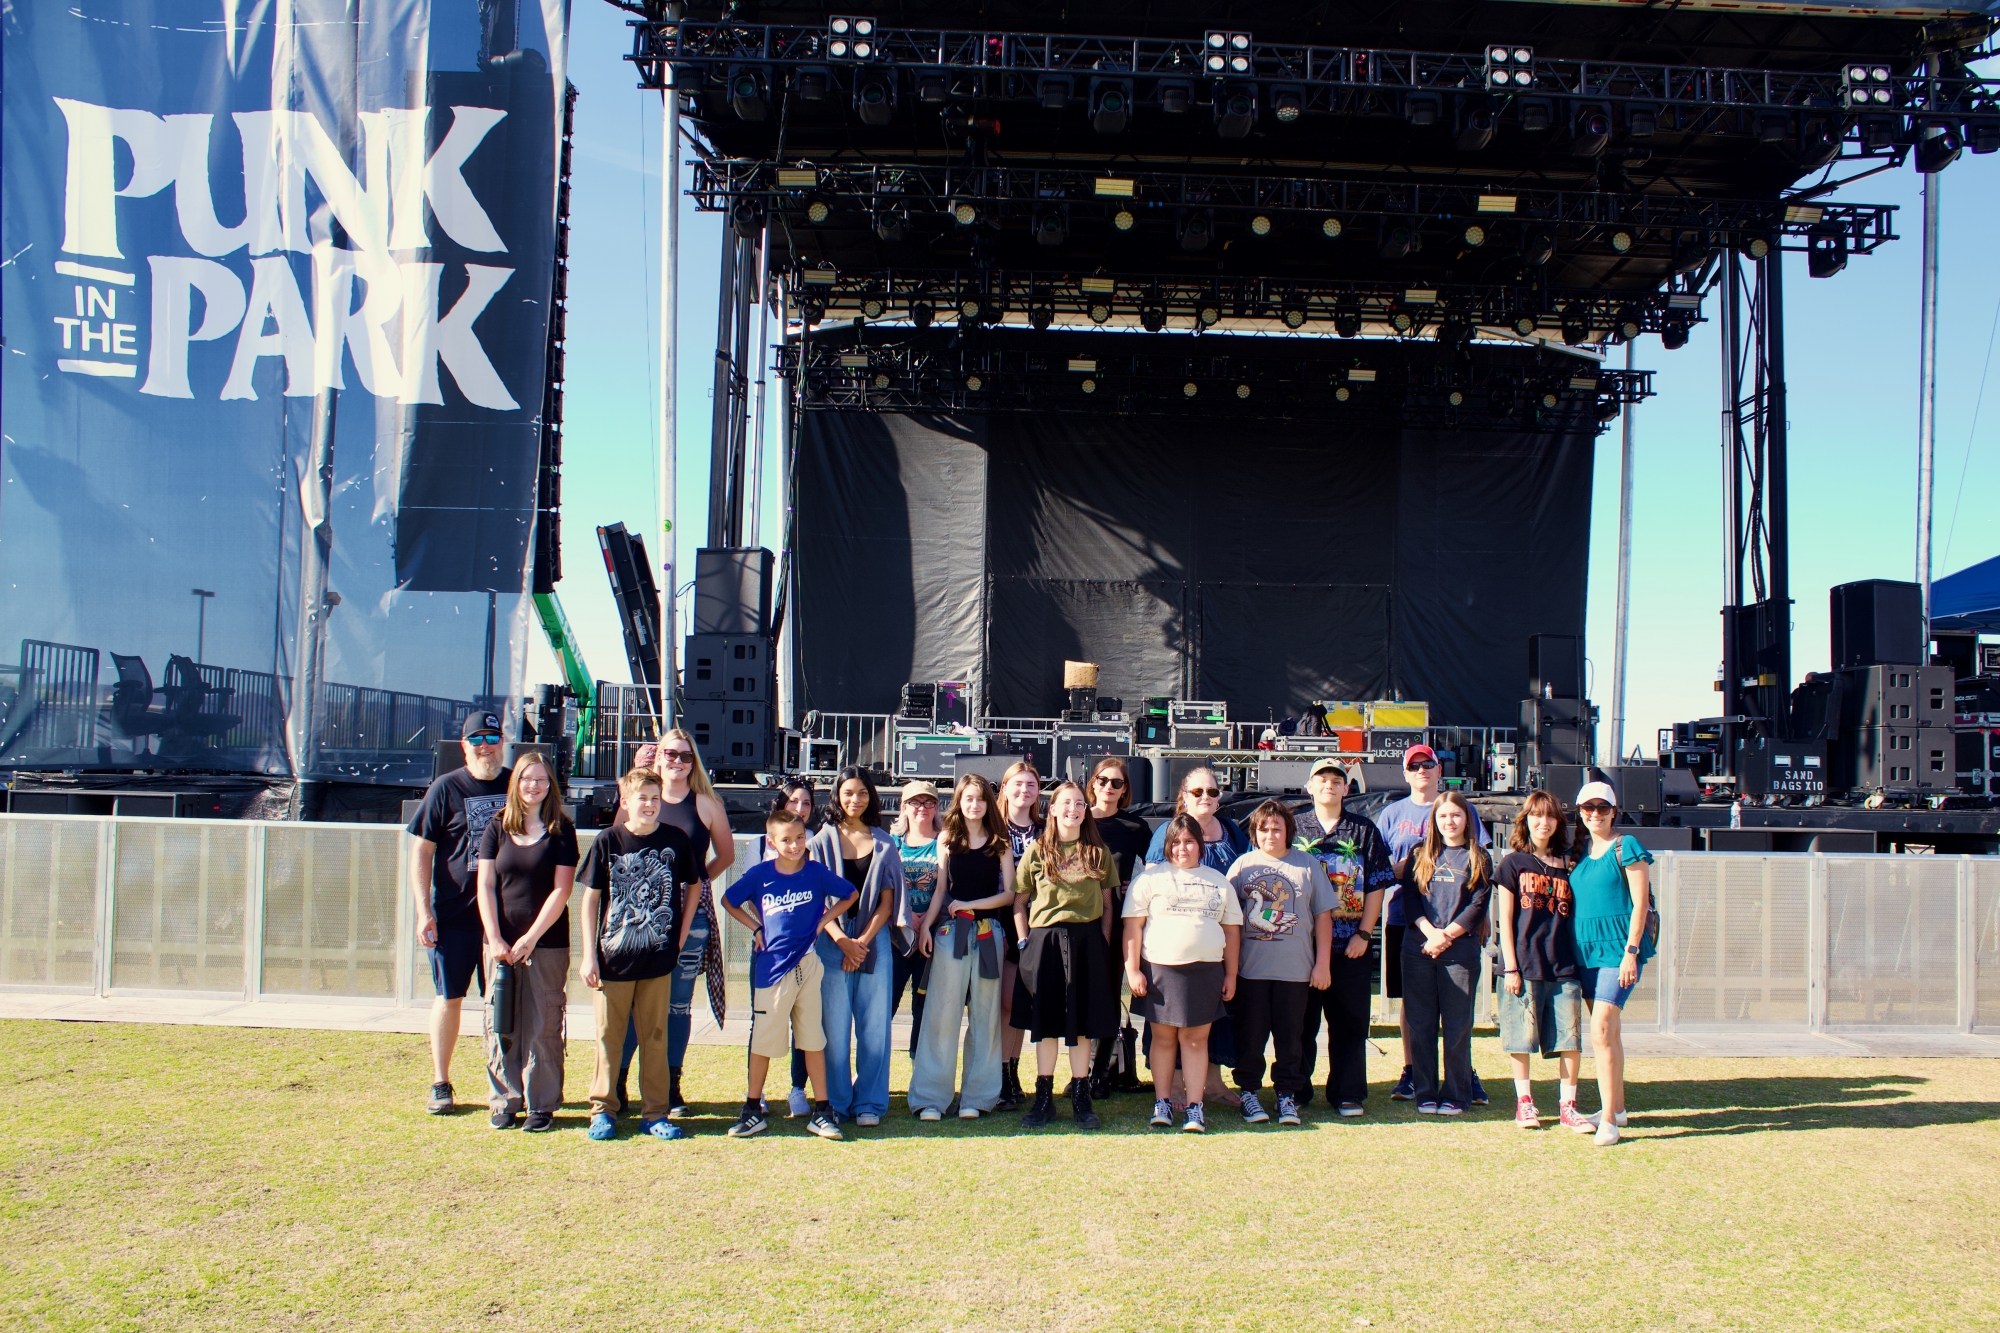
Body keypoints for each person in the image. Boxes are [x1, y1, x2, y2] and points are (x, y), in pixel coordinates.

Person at [614, 728, 735, 1121]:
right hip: (640, 916)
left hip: (690, 915)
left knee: (677, 1006)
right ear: (658, 757)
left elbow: (726, 855)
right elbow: (617, 846)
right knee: (635, 1003)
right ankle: (618, 1081)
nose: (678, 762)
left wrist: (696, 885)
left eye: (685, 756)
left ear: (693, 760)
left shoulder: (707, 804)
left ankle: (670, 1084)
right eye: (671, 754)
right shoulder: (638, 801)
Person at [576, 767, 701, 1142]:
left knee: (655, 1037)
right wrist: (588, 955)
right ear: (625, 801)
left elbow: (693, 886)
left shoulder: (675, 839)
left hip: (658, 960)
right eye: (641, 798)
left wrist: (679, 936)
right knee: (608, 1037)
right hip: (613, 960)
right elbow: (590, 899)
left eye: (654, 798)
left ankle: (655, 1112)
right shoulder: (608, 840)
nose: (648, 805)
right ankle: (603, 1109)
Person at [721, 807, 851, 1141]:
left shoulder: (816, 872)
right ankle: (752, 1109)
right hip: (772, 969)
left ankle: (822, 1112)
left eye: (799, 838)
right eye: (786, 840)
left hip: (808, 966)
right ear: (772, 842)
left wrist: (824, 922)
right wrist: (756, 928)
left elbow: (849, 894)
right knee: (763, 1041)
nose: (794, 846)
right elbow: (728, 900)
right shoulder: (761, 874)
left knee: (812, 1040)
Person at [406, 710, 513, 1115]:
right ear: (464, 745)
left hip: (504, 918)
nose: (486, 745)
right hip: (454, 914)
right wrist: (423, 911)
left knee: (501, 1002)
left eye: (493, 737)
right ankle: (440, 1082)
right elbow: (422, 850)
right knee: (449, 997)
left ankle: (504, 1084)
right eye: (477, 739)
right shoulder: (445, 788)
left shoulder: (516, 785)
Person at [1374, 744, 1491, 1104]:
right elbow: (1379, 868)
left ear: (1440, 770)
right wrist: (1403, 872)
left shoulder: (1462, 807)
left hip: (1458, 928)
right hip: (1408, 923)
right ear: (1405, 773)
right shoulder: (1392, 814)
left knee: (1457, 1010)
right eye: (1415, 765)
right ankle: (1414, 1072)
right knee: (1415, 1004)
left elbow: (1479, 878)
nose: (1422, 770)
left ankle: (1461, 1076)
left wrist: (1469, 924)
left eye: (1429, 764)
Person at [473, 755, 579, 1131]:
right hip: (499, 946)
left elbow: (561, 890)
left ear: (551, 785)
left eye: (541, 780)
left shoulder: (561, 830)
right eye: (526, 779)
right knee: (500, 1021)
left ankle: (541, 1103)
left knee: (543, 1023)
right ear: (515, 783)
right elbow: (486, 885)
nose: (534, 786)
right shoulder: (496, 827)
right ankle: (505, 1099)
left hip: (546, 944)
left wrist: (530, 938)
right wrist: (496, 937)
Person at [1011, 780, 1120, 1129]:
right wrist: (1024, 941)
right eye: (1065, 803)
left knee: (1083, 1024)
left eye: (1079, 804)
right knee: (1046, 1026)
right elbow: (1019, 901)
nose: (1073, 809)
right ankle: (1043, 1098)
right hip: (1044, 942)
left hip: (1087, 942)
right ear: (1052, 809)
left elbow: (1106, 906)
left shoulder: (1098, 852)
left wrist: (1101, 944)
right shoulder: (1037, 852)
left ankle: (1081, 1097)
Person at [908, 772, 1016, 1120]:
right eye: (968, 798)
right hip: (950, 934)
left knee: (985, 1017)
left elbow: (1009, 894)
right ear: (959, 801)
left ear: (988, 803)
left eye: (980, 798)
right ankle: (930, 1098)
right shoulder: (946, 840)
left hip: (988, 934)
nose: (974, 804)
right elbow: (940, 890)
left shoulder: (1000, 843)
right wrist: (926, 927)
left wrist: (973, 906)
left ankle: (978, 1098)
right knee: (942, 1014)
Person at [1126, 814, 1243, 1134]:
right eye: (1175, 842)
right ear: (1166, 846)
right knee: (1163, 1040)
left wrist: (1230, 974)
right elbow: (1133, 928)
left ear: (1200, 845)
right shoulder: (1149, 881)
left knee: (1195, 1040)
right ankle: (1162, 1103)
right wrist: (1133, 969)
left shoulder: (1218, 881)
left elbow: (1232, 932)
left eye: (1189, 841)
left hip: (1206, 971)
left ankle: (1195, 1107)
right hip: (1161, 970)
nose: (1182, 848)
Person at [1290, 758, 1393, 1115]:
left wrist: (1365, 933)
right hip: (1300, 944)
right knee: (1300, 1023)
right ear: (1309, 786)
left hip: (1350, 945)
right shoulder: (1293, 827)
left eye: (1337, 780)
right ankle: (1295, 1092)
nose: (1329, 785)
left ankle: (1348, 1093)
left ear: (1347, 789)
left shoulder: (1364, 830)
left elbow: (1378, 884)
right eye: (1322, 779)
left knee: (1349, 1022)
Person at [806, 767, 908, 1126]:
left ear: (871, 796)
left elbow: (888, 901)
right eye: (848, 792)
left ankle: (870, 1103)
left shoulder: (884, 841)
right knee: (834, 1027)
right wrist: (842, 941)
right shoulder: (820, 842)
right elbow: (815, 900)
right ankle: (836, 1102)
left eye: (862, 793)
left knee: (875, 1026)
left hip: (873, 941)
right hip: (831, 940)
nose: (855, 799)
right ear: (837, 795)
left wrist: (861, 942)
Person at [1227, 800, 1337, 1127]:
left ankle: (1287, 1095)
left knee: (1292, 1038)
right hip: (1251, 972)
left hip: (1295, 972)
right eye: (1264, 829)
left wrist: (1322, 965)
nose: (1271, 834)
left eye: (1277, 828)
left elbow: (1323, 917)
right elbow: (1229, 921)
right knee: (1250, 1036)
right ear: (1255, 832)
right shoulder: (1242, 866)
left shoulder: (1307, 866)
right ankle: (1248, 1092)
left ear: (1289, 830)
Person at [1493, 789, 1586, 1132]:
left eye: (1549, 816)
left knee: (1569, 1040)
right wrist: (1511, 967)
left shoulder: (1571, 865)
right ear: (1525, 820)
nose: (1542, 822)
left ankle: (1568, 1106)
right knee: (1521, 1038)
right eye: (1536, 815)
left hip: (1564, 966)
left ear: (1557, 822)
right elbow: (1505, 919)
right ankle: (1525, 1104)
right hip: (1525, 964)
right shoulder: (1513, 864)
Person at [1569, 779, 1656, 1147]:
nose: (1594, 814)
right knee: (1610, 1032)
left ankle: (1608, 1121)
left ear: (1613, 811)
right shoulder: (1581, 852)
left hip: (1617, 952)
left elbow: (1641, 903)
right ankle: (1616, 1107)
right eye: (1587, 808)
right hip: (1584, 952)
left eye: (1602, 808)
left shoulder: (1627, 846)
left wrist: (1631, 952)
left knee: (1602, 1029)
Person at [1398, 792, 1492, 1117]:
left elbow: (1477, 906)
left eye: (1456, 815)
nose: (1449, 822)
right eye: (1443, 816)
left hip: (1459, 953)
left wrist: (1446, 936)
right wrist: (1430, 933)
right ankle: (1424, 1092)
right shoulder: (1419, 855)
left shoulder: (1478, 857)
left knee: (1456, 1026)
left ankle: (1456, 1094)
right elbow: (1409, 900)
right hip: (1418, 948)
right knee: (1421, 1024)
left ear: (1467, 819)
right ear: (1434, 822)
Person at [1085, 756, 1149, 1095]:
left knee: (1109, 995)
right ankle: (1079, 1072)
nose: (1109, 787)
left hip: (1118, 921)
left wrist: (1134, 886)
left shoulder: (1135, 828)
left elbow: (1155, 869)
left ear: (1125, 790)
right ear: (1093, 782)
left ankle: (1101, 1074)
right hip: (1077, 920)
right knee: (1078, 996)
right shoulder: (1077, 820)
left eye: (1117, 783)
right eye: (1103, 780)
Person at [994, 760, 1044, 1111]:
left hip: (1034, 921)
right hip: (994, 917)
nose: (1024, 791)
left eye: (1030, 785)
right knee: (996, 1004)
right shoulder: (992, 827)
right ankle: (995, 1074)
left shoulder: (1046, 830)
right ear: (1006, 787)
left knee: (1017, 1004)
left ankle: (1011, 1073)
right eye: (1018, 784)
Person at [890, 780, 943, 1058]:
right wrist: (905, 915)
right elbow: (884, 889)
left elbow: (945, 888)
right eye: (915, 802)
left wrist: (926, 923)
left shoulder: (943, 843)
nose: (922, 808)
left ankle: (919, 1071)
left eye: (929, 802)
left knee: (923, 1007)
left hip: (930, 939)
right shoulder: (892, 842)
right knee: (885, 1005)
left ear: (937, 807)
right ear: (904, 807)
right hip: (896, 939)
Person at [1142, 766, 1249, 873]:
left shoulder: (1230, 828)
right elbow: (1152, 877)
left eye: (1212, 792)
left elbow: (1250, 865)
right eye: (1198, 792)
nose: (1206, 796)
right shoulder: (1168, 830)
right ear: (1185, 796)